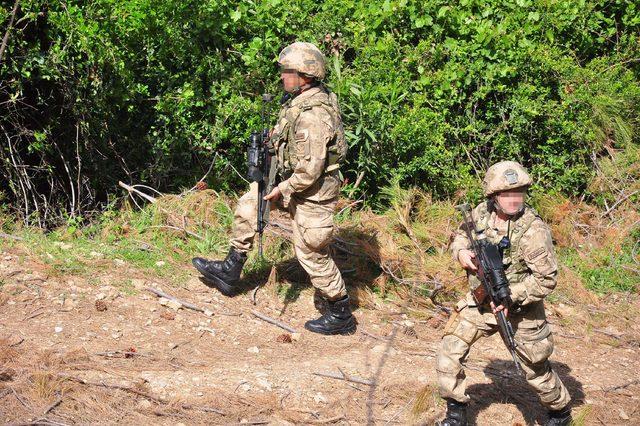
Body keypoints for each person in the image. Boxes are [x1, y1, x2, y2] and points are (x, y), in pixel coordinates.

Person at [192, 42, 354, 335]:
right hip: (290, 181)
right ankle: (231, 268)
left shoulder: (313, 114)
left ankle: (340, 310)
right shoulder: (299, 101)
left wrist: (283, 188)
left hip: (312, 192)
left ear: (304, 75)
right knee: (249, 205)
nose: (282, 76)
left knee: (311, 251)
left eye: (287, 71)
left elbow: (310, 169)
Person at [436, 161, 572, 426]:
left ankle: (560, 411)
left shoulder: (533, 230)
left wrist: (512, 296)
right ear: (493, 195)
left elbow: (546, 279)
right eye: (507, 194)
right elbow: (461, 237)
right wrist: (461, 252)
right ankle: (456, 415)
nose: (513, 199)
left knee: (535, 370)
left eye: (518, 193)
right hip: (480, 302)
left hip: (521, 310)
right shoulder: (480, 213)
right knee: (449, 351)